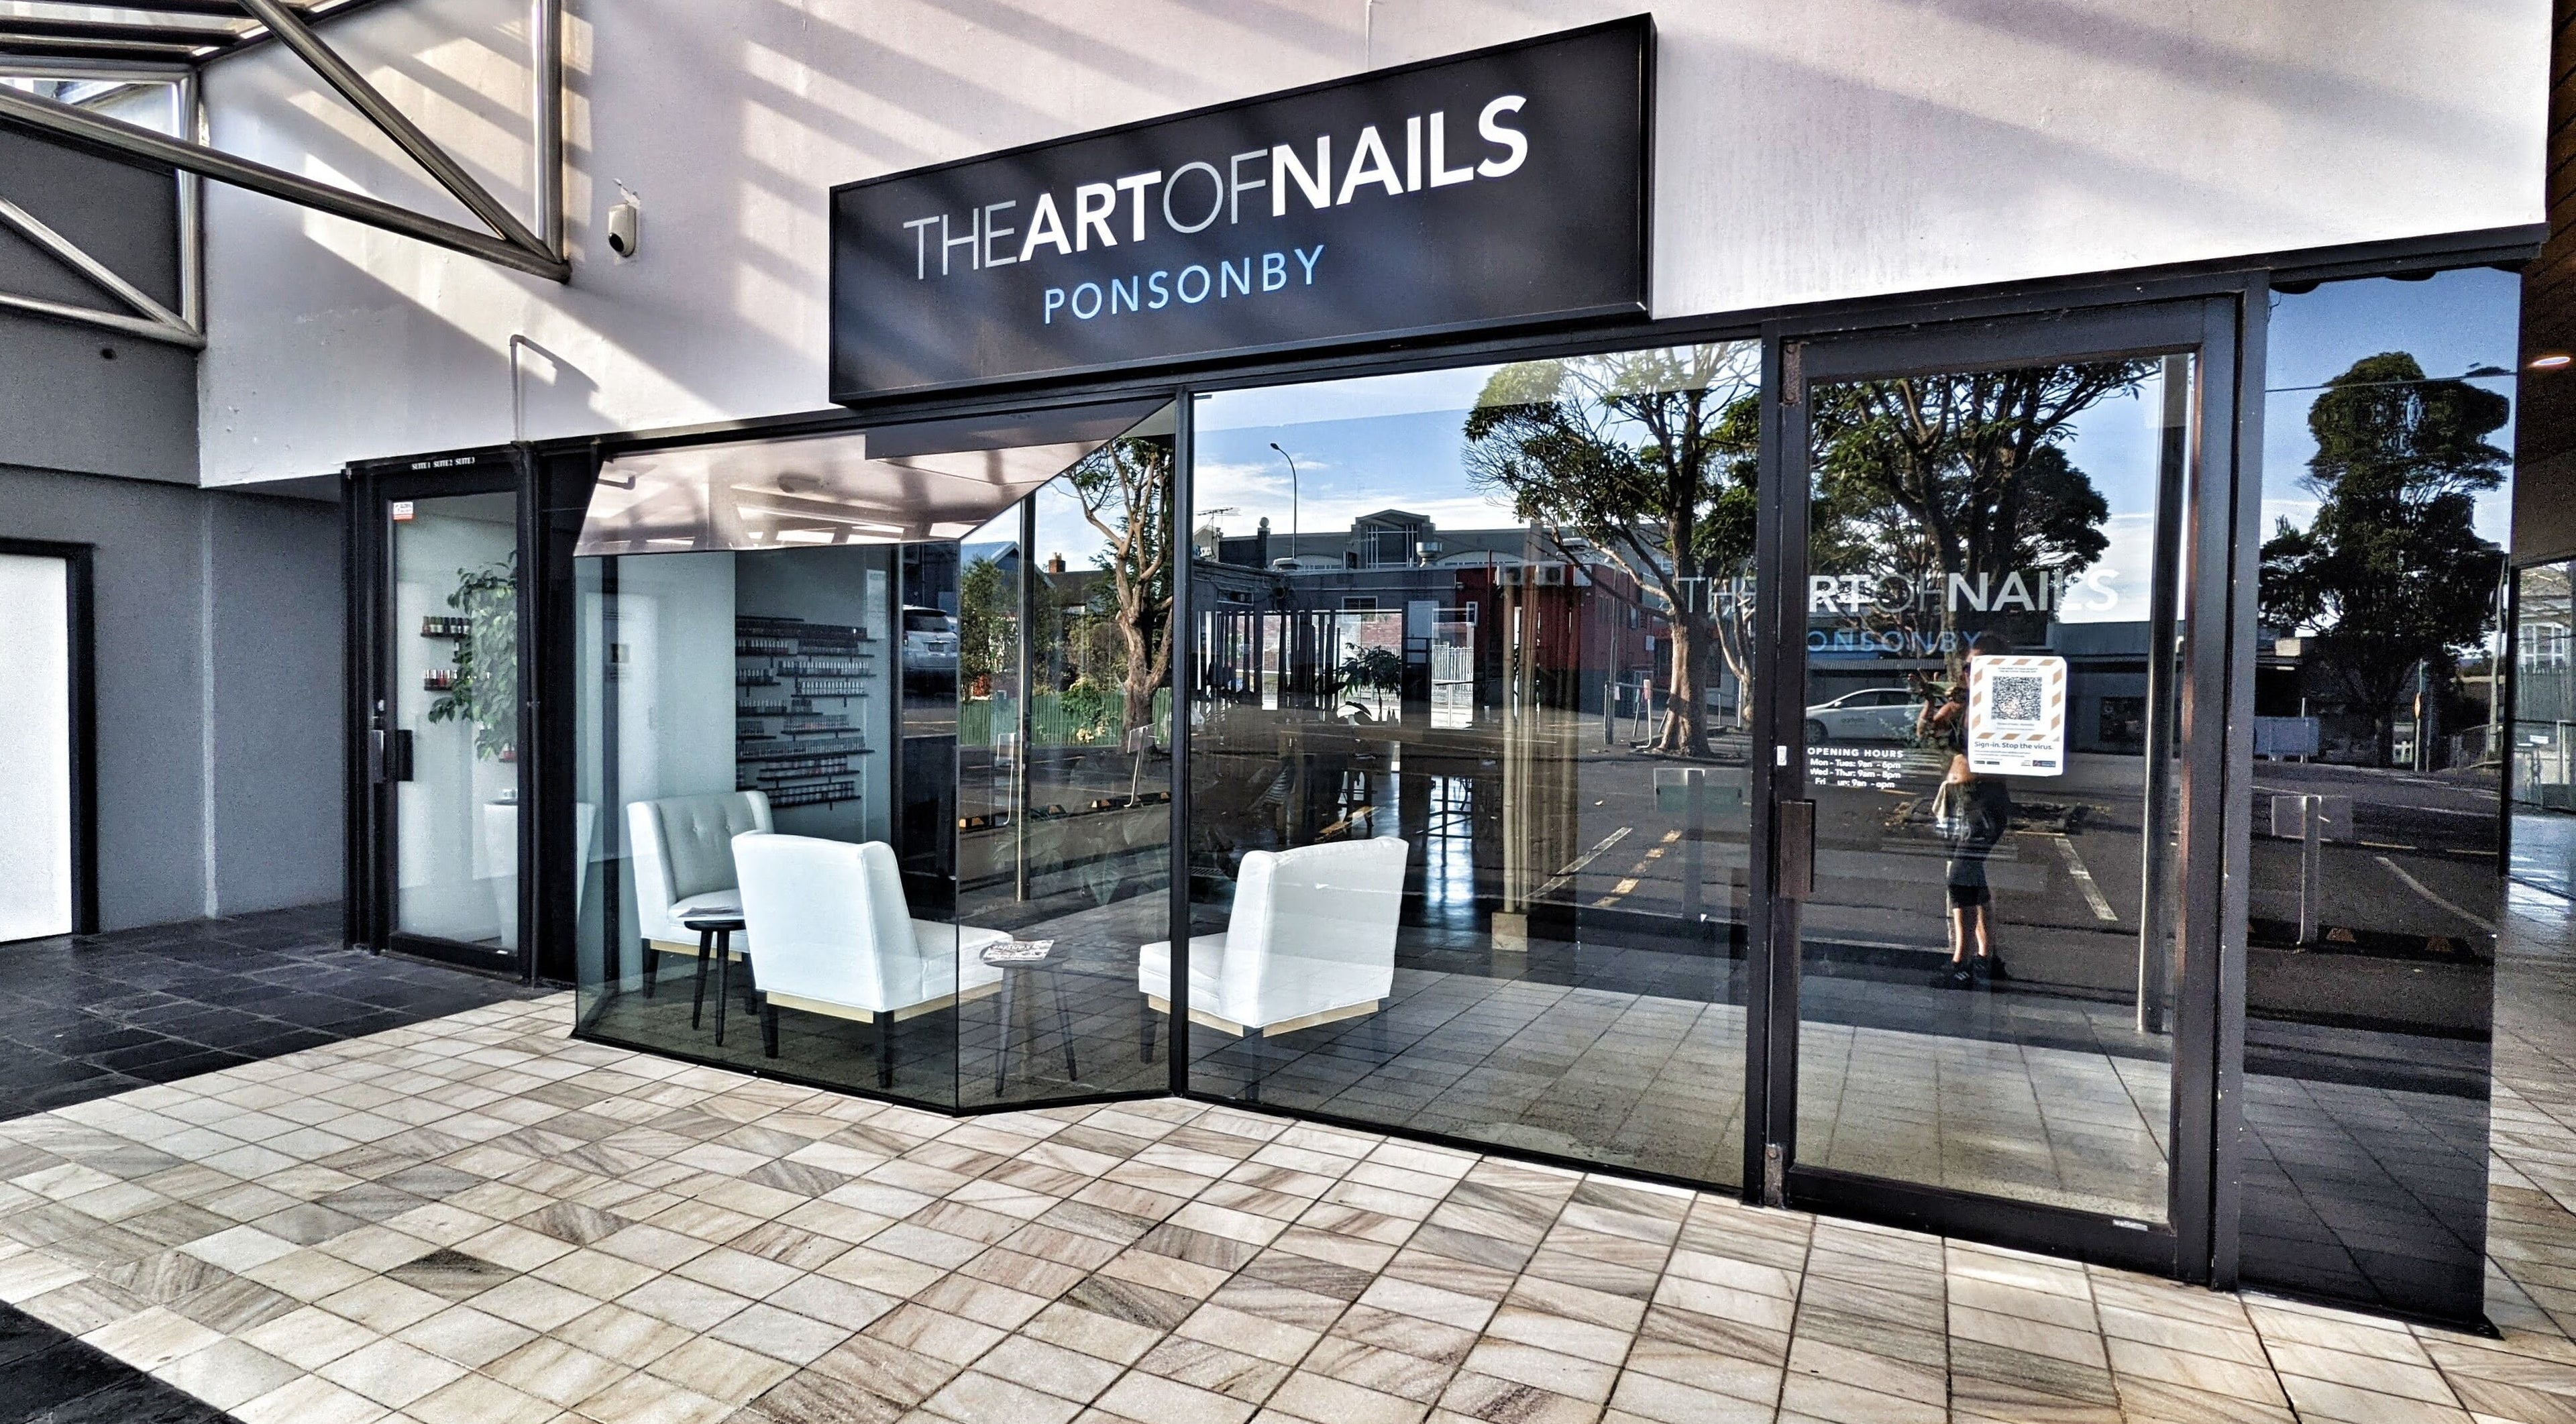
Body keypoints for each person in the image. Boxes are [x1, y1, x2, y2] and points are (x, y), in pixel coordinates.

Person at [1920, 633, 2015, 988]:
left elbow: (1994, 747)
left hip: (1985, 797)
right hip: (1956, 796)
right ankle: (1986, 957)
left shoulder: (2004, 702)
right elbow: (1928, 735)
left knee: (1960, 877)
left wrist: (1972, 700)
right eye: (1968, 667)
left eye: (1979, 667)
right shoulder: (1963, 701)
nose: (1970, 672)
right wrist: (1932, 704)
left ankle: (1962, 960)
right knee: (1972, 880)